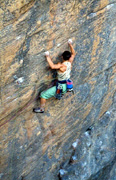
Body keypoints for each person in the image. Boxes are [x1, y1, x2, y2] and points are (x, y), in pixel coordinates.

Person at [33, 39, 76, 113]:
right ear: (69, 58)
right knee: (58, 89)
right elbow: (73, 54)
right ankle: (59, 94)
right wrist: (70, 44)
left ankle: (41, 109)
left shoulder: (62, 66)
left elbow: (52, 66)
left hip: (61, 86)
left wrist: (47, 56)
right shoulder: (70, 62)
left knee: (43, 95)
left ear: (62, 57)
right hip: (67, 85)